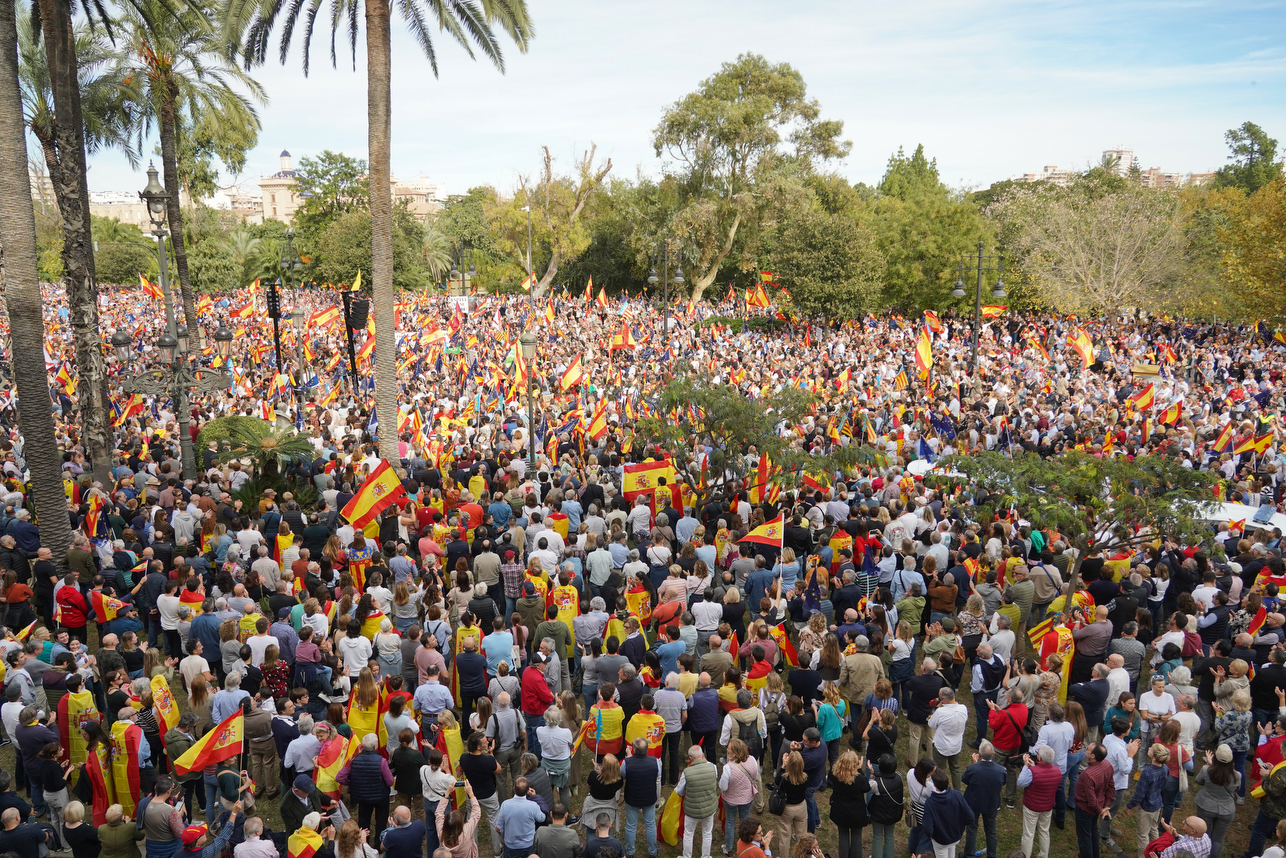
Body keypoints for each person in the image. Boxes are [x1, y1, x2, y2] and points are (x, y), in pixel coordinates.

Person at [1193, 745, 1240, 858]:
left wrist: (1209, 765)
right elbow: (1237, 789)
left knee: (1204, 835)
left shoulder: (1207, 770)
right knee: (1218, 839)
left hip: (1206, 806)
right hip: (1226, 810)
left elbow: (1198, 780)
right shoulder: (1237, 775)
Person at [961, 741, 1006, 858]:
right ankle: (992, 855)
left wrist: (975, 764)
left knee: (972, 829)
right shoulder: (1001, 770)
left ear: (979, 754)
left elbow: (965, 779)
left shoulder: (972, 768)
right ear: (994, 753)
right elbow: (1002, 783)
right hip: (991, 804)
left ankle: (969, 855)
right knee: (991, 831)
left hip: (973, 803)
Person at [675, 744, 719, 858]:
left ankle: (687, 856)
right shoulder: (713, 767)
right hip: (709, 807)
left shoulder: (687, 772)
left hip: (692, 809)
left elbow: (679, 791)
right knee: (707, 833)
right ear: (703, 755)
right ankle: (706, 856)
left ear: (690, 758)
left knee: (688, 833)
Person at [1016, 746, 1060, 858]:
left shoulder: (1032, 772)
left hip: (1032, 807)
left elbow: (1021, 783)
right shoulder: (1057, 771)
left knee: (1028, 834)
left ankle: (1025, 856)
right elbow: (1044, 776)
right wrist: (1035, 768)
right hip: (1047, 806)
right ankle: (1043, 855)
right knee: (1044, 832)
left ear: (1039, 758)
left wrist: (1026, 766)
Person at [620, 738, 660, 858]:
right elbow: (657, 774)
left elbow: (623, 775)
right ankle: (653, 851)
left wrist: (628, 757)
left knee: (631, 825)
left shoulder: (627, 763)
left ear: (635, 750)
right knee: (650, 824)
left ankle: (630, 852)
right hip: (649, 798)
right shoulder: (655, 761)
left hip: (632, 798)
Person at [920, 769, 973, 858]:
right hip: (956, 836)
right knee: (951, 851)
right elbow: (970, 817)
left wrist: (931, 835)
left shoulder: (930, 803)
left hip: (941, 841)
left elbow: (928, 827)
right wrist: (960, 826)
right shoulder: (957, 795)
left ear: (934, 784)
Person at [1074, 744, 1115, 858]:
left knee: (1085, 838)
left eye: (1088, 749)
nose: (1085, 749)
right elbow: (1111, 787)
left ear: (1092, 756)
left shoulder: (1088, 774)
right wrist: (1105, 807)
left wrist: (1101, 810)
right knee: (1093, 833)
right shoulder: (1107, 765)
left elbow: (1091, 800)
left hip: (1085, 809)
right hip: (1099, 806)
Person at [826, 750, 869, 858]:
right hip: (856, 813)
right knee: (856, 837)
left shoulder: (834, 774)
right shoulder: (859, 779)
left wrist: (847, 757)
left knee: (843, 836)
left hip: (840, 811)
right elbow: (866, 787)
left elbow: (831, 776)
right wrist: (860, 769)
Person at [494, 775, 547, 858]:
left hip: (510, 846)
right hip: (528, 845)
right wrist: (536, 797)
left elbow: (498, 828)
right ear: (528, 790)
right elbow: (542, 818)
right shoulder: (533, 806)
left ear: (513, 789)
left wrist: (505, 837)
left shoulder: (505, 805)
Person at [928, 687, 969, 790]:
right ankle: (957, 790)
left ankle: (940, 790)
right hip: (956, 745)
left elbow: (931, 724)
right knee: (955, 769)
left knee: (939, 770)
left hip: (941, 746)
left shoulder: (940, 712)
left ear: (945, 700)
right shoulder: (963, 708)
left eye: (940, 698)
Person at [434, 779, 483, 858]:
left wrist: (447, 793)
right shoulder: (466, 831)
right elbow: (476, 813)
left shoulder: (441, 833)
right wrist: (471, 793)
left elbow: (438, 813)